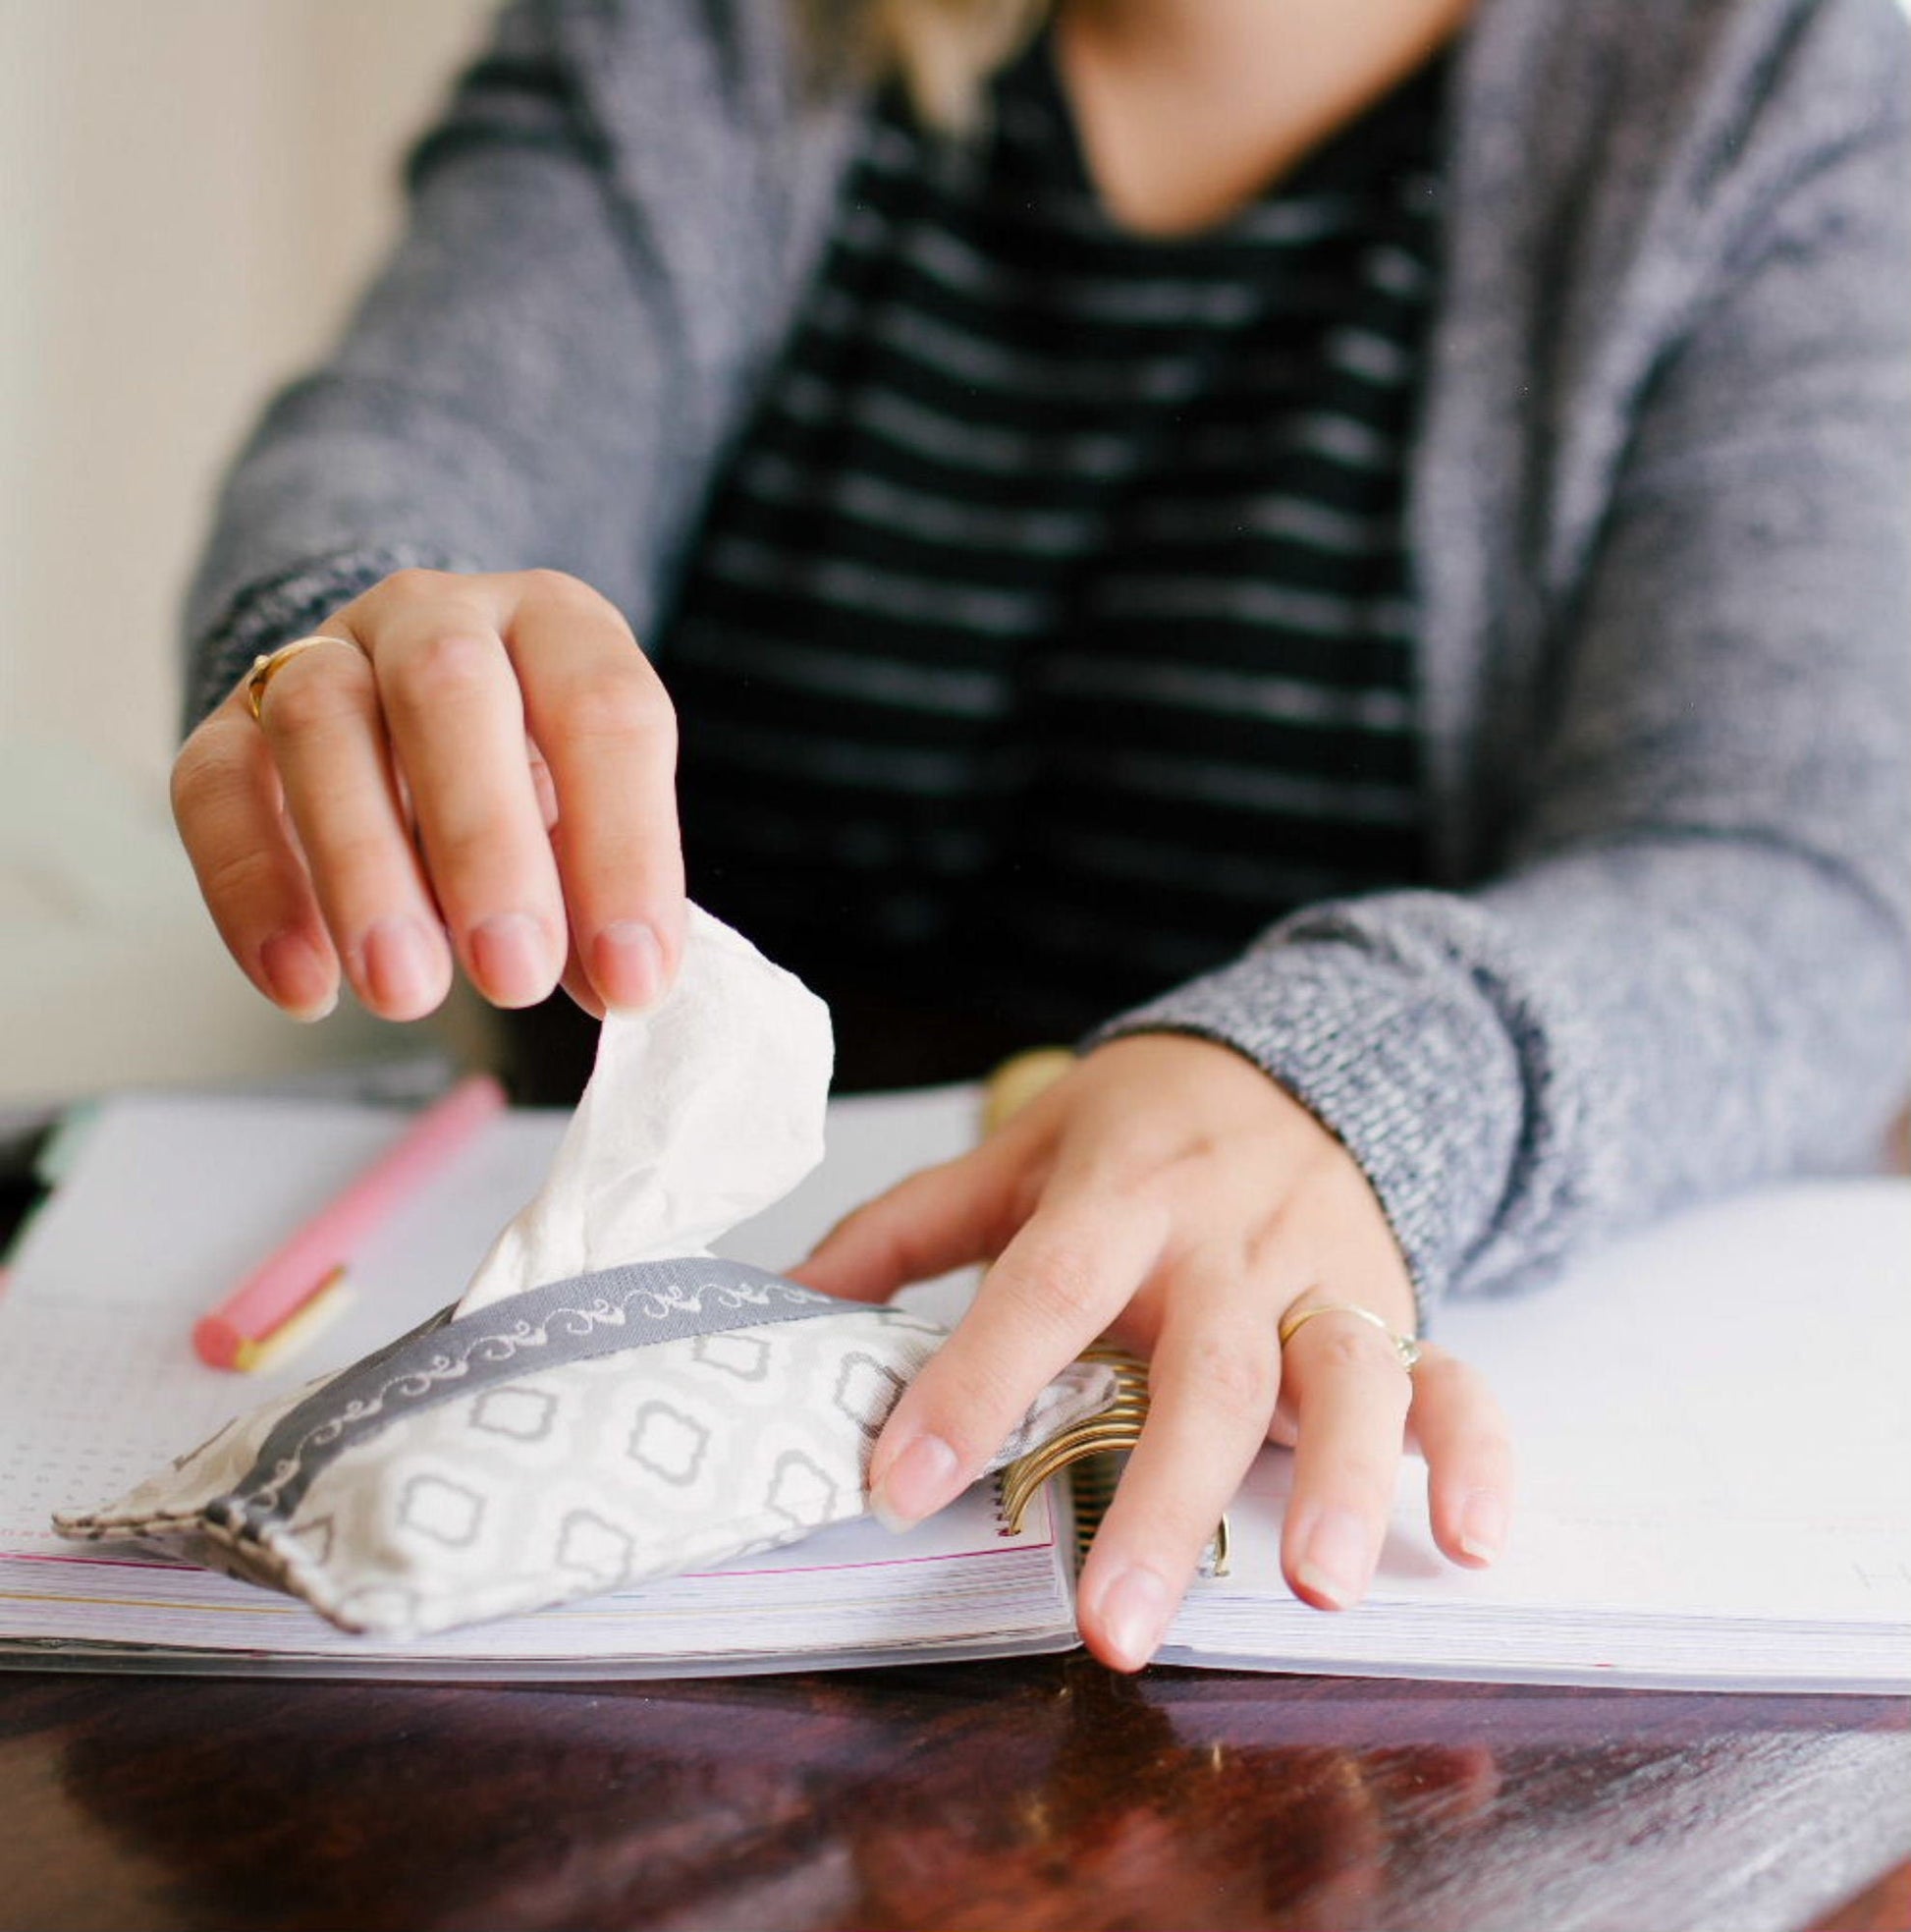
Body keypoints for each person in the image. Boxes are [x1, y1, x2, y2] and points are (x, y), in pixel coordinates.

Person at [168, 0, 1911, 1672]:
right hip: (614, 1530)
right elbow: (401, 451)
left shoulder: (1769, 90)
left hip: (1299, 1496)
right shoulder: (704, 35)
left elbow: (1799, 883)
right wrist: (355, 635)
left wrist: (1362, 1080)